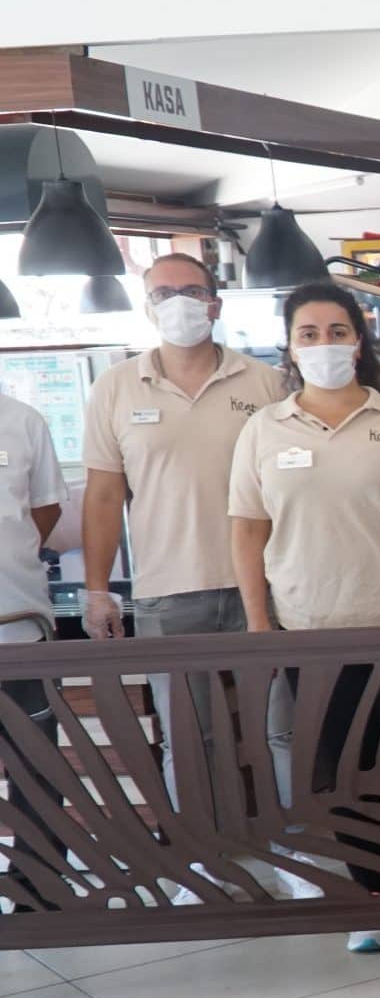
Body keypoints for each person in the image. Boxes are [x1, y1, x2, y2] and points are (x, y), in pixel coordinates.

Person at [229, 282, 380, 952]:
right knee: (344, 773)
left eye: (337, 331)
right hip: (312, 630)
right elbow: (247, 529)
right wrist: (258, 620)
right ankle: (372, 898)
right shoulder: (264, 429)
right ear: (289, 346)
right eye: (309, 333)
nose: (324, 344)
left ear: (358, 342)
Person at [80, 252, 285, 899]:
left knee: (278, 731)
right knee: (188, 741)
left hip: (265, 588)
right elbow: (104, 496)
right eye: (163, 293)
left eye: (191, 291)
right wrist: (97, 589)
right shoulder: (117, 387)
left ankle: (291, 853)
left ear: (215, 302)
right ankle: (200, 861)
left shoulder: (267, 382)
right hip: (166, 592)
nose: (178, 303)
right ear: (146, 306)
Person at [0, 383, 68, 914]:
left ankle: (39, 887)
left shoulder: (23, 420)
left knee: (35, 767)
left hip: (20, 626)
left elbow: (45, 509)